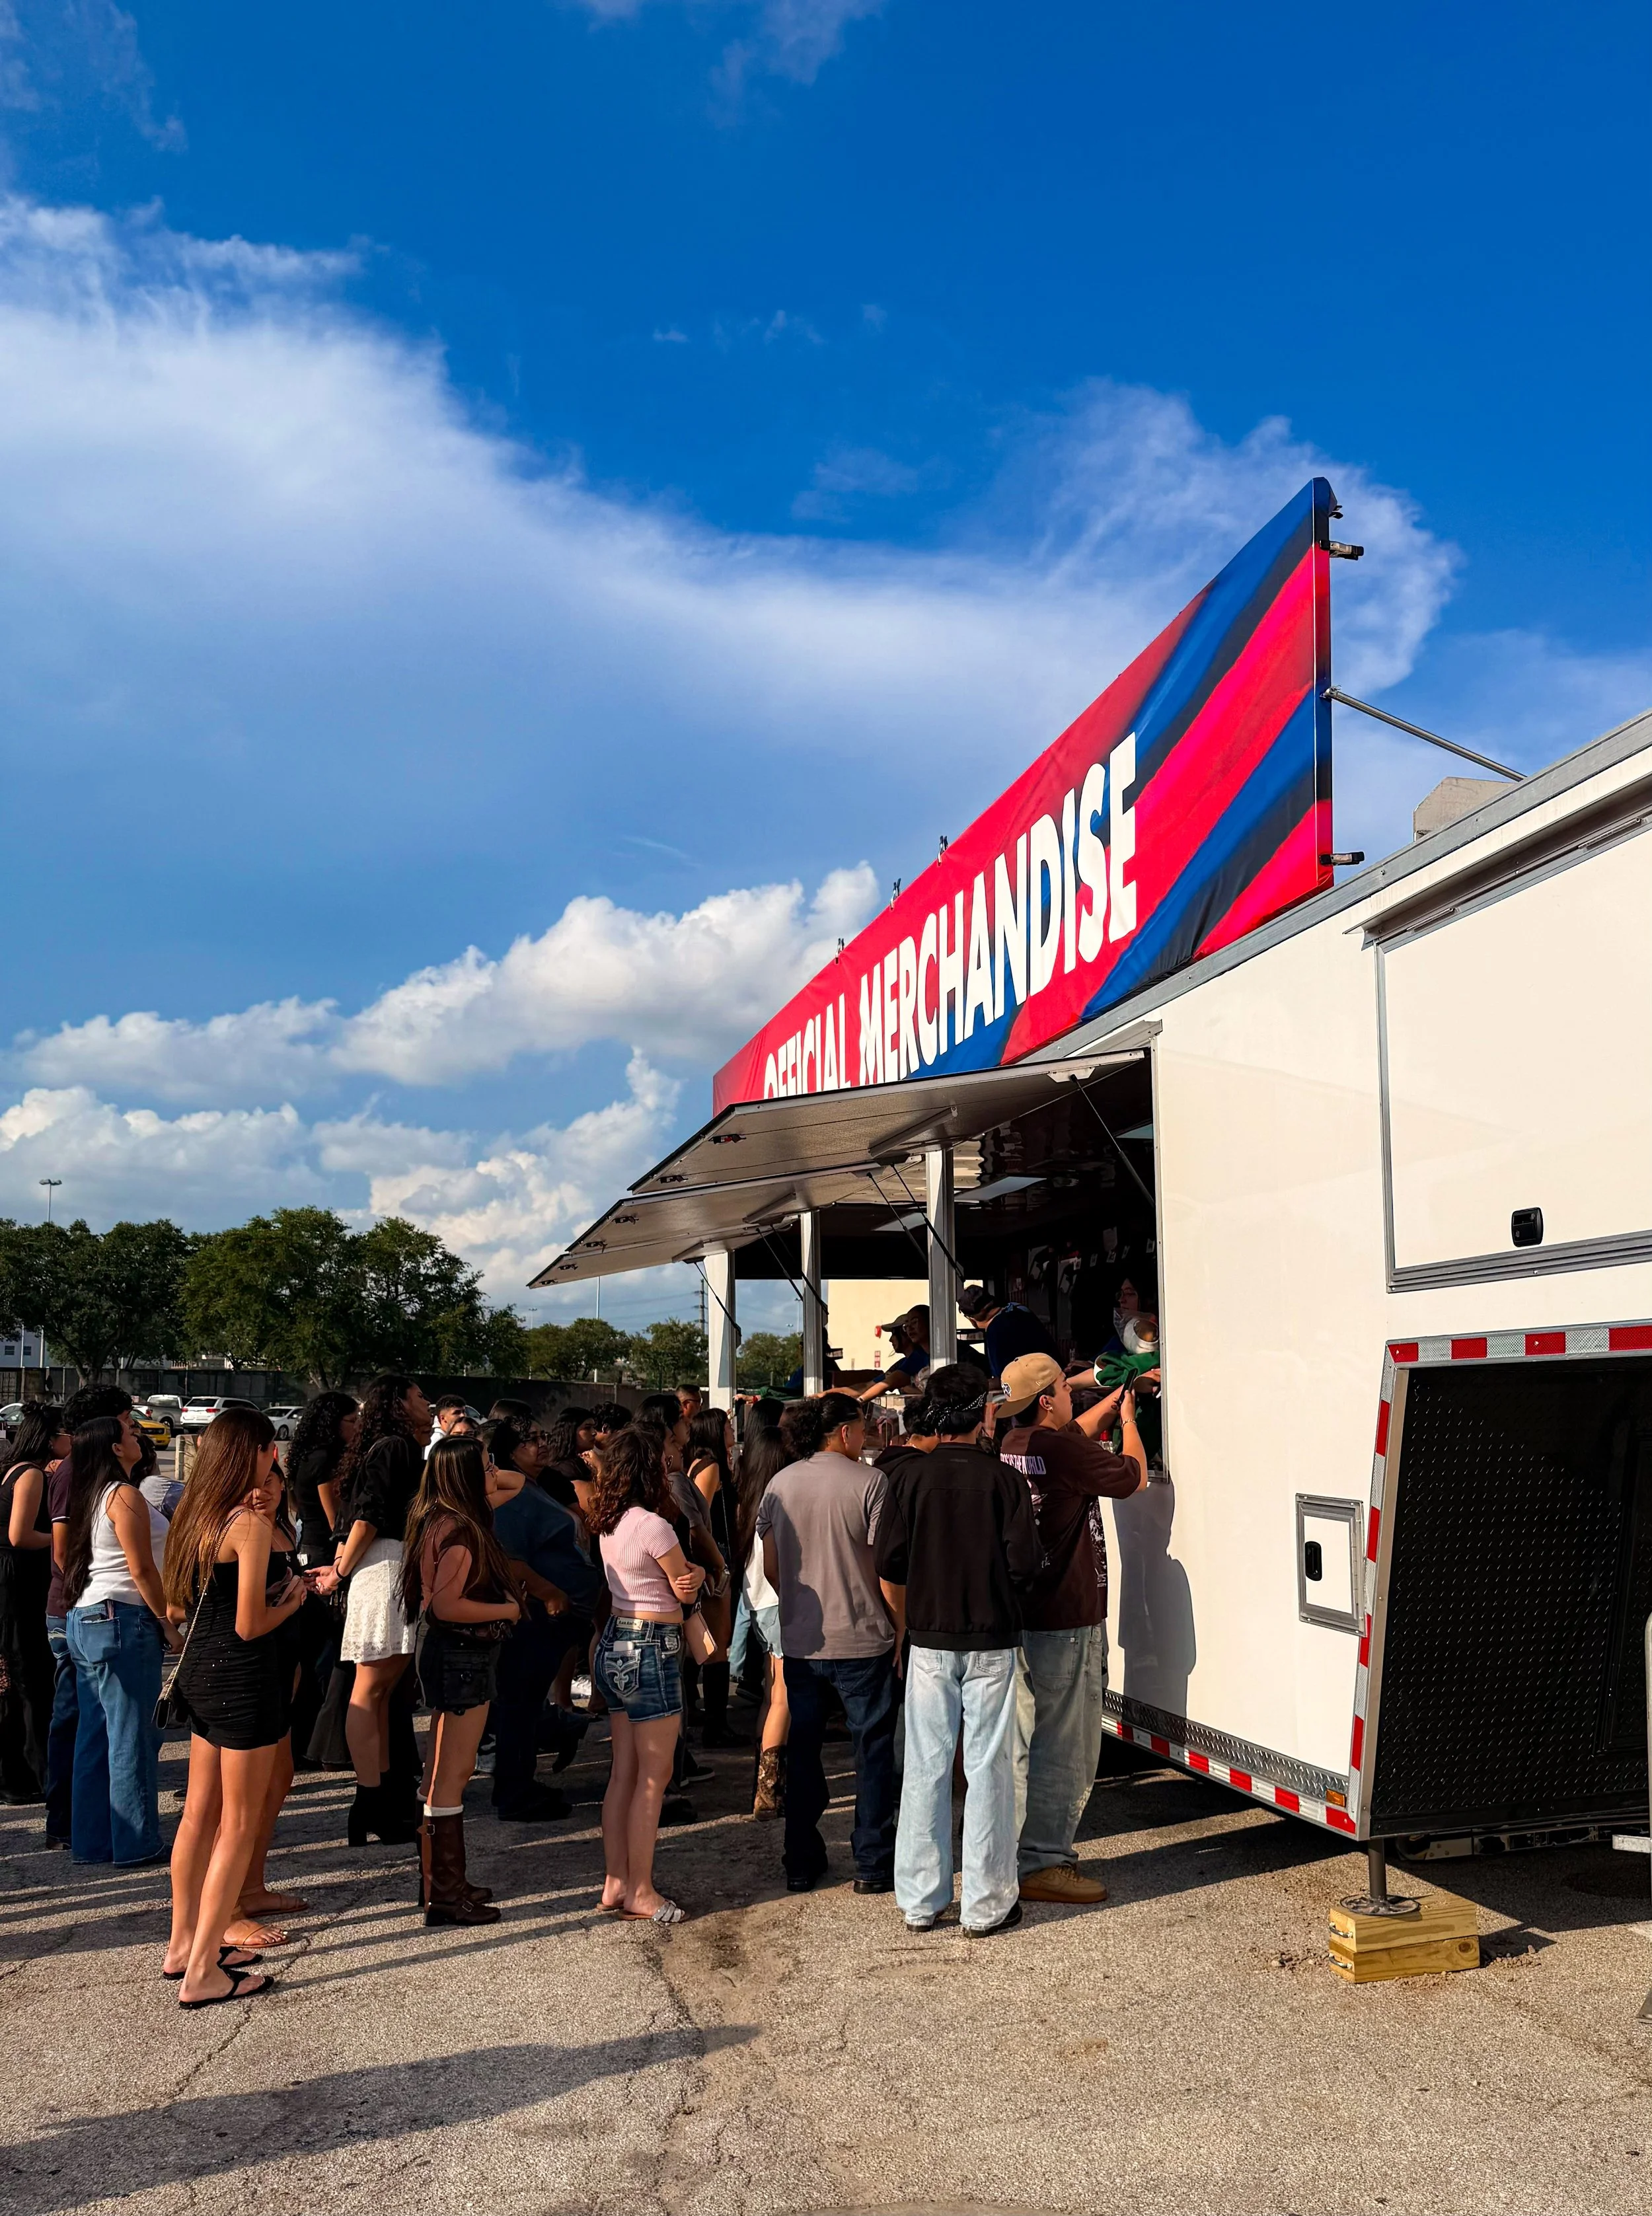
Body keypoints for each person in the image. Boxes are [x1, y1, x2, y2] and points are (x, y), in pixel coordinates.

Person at [876, 1366, 1042, 1936]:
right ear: (983, 1413)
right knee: (988, 1768)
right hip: (992, 1637)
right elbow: (1025, 1563)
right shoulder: (1004, 1482)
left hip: (928, 1637)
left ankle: (921, 1901)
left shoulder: (908, 1479)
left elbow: (889, 1561)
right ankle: (987, 1902)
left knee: (924, 1766)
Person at [161, 1407, 308, 2006]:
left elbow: (189, 1606)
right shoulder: (246, 1525)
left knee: (199, 1817)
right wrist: (295, 1599)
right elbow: (251, 1624)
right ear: (249, 1452)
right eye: (269, 1447)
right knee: (239, 1825)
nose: (275, 1457)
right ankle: (202, 1972)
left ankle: (181, 1945)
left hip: (200, 1676)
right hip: (243, 1680)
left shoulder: (198, 1515)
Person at [997, 1352, 1147, 1906]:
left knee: (1032, 1741)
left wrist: (1110, 1401)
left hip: (1028, 1616)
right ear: (1046, 1399)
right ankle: (1045, 1862)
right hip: (1068, 1615)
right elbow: (1131, 1477)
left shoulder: (1016, 1444)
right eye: (1065, 1386)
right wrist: (1130, 1419)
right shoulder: (1060, 1449)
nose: (1070, 1392)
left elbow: (1070, 1439)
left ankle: (1026, 1851)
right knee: (1068, 1746)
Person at [757, 1392, 899, 1896]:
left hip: (802, 1641)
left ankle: (800, 1859)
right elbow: (886, 1570)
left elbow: (772, 1568)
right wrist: (897, 1625)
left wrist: (797, 1603)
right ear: (844, 1432)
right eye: (861, 1428)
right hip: (863, 1637)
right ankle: (873, 1864)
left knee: (805, 1749)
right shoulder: (871, 1482)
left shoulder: (778, 1485)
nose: (864, 1436)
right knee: (873, 1752)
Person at [401, 1436, 522, 1925]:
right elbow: (446, 1607)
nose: (497, 1469)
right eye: (487, 1464)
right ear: (467, 1476)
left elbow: (516, 1483)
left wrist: (482, 1467)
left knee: (443, 1773)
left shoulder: (446, 1516)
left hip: (452, 1654)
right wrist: (508, 1608)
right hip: (461, 1655)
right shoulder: (461, 1530)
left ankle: (438, 1883)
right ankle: (445, 1895)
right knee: (450, 1777)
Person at [587, 1425, 704, 1925]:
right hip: (653, 1644)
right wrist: (697, 1578)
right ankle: (641, 1889)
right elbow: (682, 1588)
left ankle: (617, 1880)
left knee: (624, 1773)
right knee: (654, 1779)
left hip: (616, 1640)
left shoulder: (607, 1521)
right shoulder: (656, 1526)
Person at [310, 1373, 431, 1845]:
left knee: (379, 1691)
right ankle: (369, 1801)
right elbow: (368, 1516)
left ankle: (378, 1801)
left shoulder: (392, 1446)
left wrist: (340, 1566)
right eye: (419, 1394)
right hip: (384, 1567)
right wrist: (340, 1571)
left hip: (388, 1566)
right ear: (400, 1401)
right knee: (370, 1689)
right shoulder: (392, 1447)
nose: (426, 1402)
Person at [60, 1408, 182, 1865]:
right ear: (115, 1447)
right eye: (131, 1432)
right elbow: (141, 1568)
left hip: (90, 1615)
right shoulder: (124, 1495)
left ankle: (94, 1841)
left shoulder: (93, 1494)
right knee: (132, 1736)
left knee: (96, 1737)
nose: (139, 1437)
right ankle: (137, 1842)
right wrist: (167, 1622)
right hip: (120, 1615)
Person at [483, 1415, 605, 1821]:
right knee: (520, 1704)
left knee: (526, 1702)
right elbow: (511, 1559)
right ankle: (515, 1791)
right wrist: (549, 1592)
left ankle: (521, 1780)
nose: (541, 1444)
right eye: (530, 1439)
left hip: (555, 1615)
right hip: (536, 1615)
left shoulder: (533, 1486)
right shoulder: (511, 1494)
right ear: (508, 1451)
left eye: (541, 1436)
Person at [44, 1386, 135, 1847]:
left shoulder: (95, 1469)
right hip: (76, 1608)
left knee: (89, 1724)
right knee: (77, 1722)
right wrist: (85, 1596)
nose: (132, 1424)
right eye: (125, 1417)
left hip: (83, 1606)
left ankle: (85, 1828)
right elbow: (62, 1549)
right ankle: (66, 1822)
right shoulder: (75, 1470)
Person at [0, 1401, 65, 1804]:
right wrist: (64, 1539)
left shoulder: (12, 1470)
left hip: (11, 1577)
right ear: (51, 1438)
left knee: (14, 1674)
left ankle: (19, 1771)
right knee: (28, 1676)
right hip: (18, 1581)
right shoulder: (31, 1475)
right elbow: (20, 1535)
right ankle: (27, 1773)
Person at [733, 1421, 794, 1818]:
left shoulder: (747, 1499)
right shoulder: (779, 1500)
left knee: (773, 1694)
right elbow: (777, 1566)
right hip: (777, 1602)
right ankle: (768, 1794)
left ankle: (766, 1780)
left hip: (756, 1604)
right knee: (784, 1700)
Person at [685, 1407, 744, 1747]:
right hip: (713, 1562)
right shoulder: (710, 1468)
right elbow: (701, 1522)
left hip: (712, 1561)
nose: (732, 1431)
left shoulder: (703, 1464)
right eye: (727, 1427)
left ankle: (697, 1709)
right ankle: (716, 1724)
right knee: (717, 1643)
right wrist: (715, 1564)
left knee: (702, 1643)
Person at [287, 1392, 359, 1568]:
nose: (359, 1427)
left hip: (307, 1542)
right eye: (353, 1420)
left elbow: (294, 1502)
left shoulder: (306, 1456)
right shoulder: (326, 1459)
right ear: (333, 1423)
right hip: (324, 1550)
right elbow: (336, 1520)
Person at [957, 1285, 1059, 1383]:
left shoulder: (995, 1332)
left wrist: (980, 1387)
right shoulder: (1016, 1307)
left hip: (1044, 1385)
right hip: (1057, 1371)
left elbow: (1006, 1380)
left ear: (972, 1319)